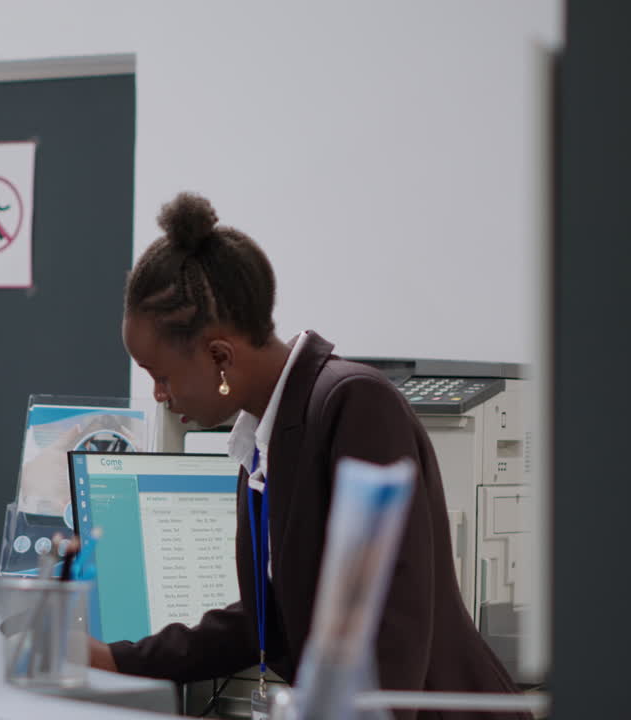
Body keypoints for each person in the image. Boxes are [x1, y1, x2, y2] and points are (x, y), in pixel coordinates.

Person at [89, 192, 528, 720]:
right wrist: (118, 658)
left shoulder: (354, 405)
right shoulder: (263, 439)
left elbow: (391, 628)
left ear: (220, 357)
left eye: (161, 375)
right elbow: (264, 620)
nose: (159, 394)